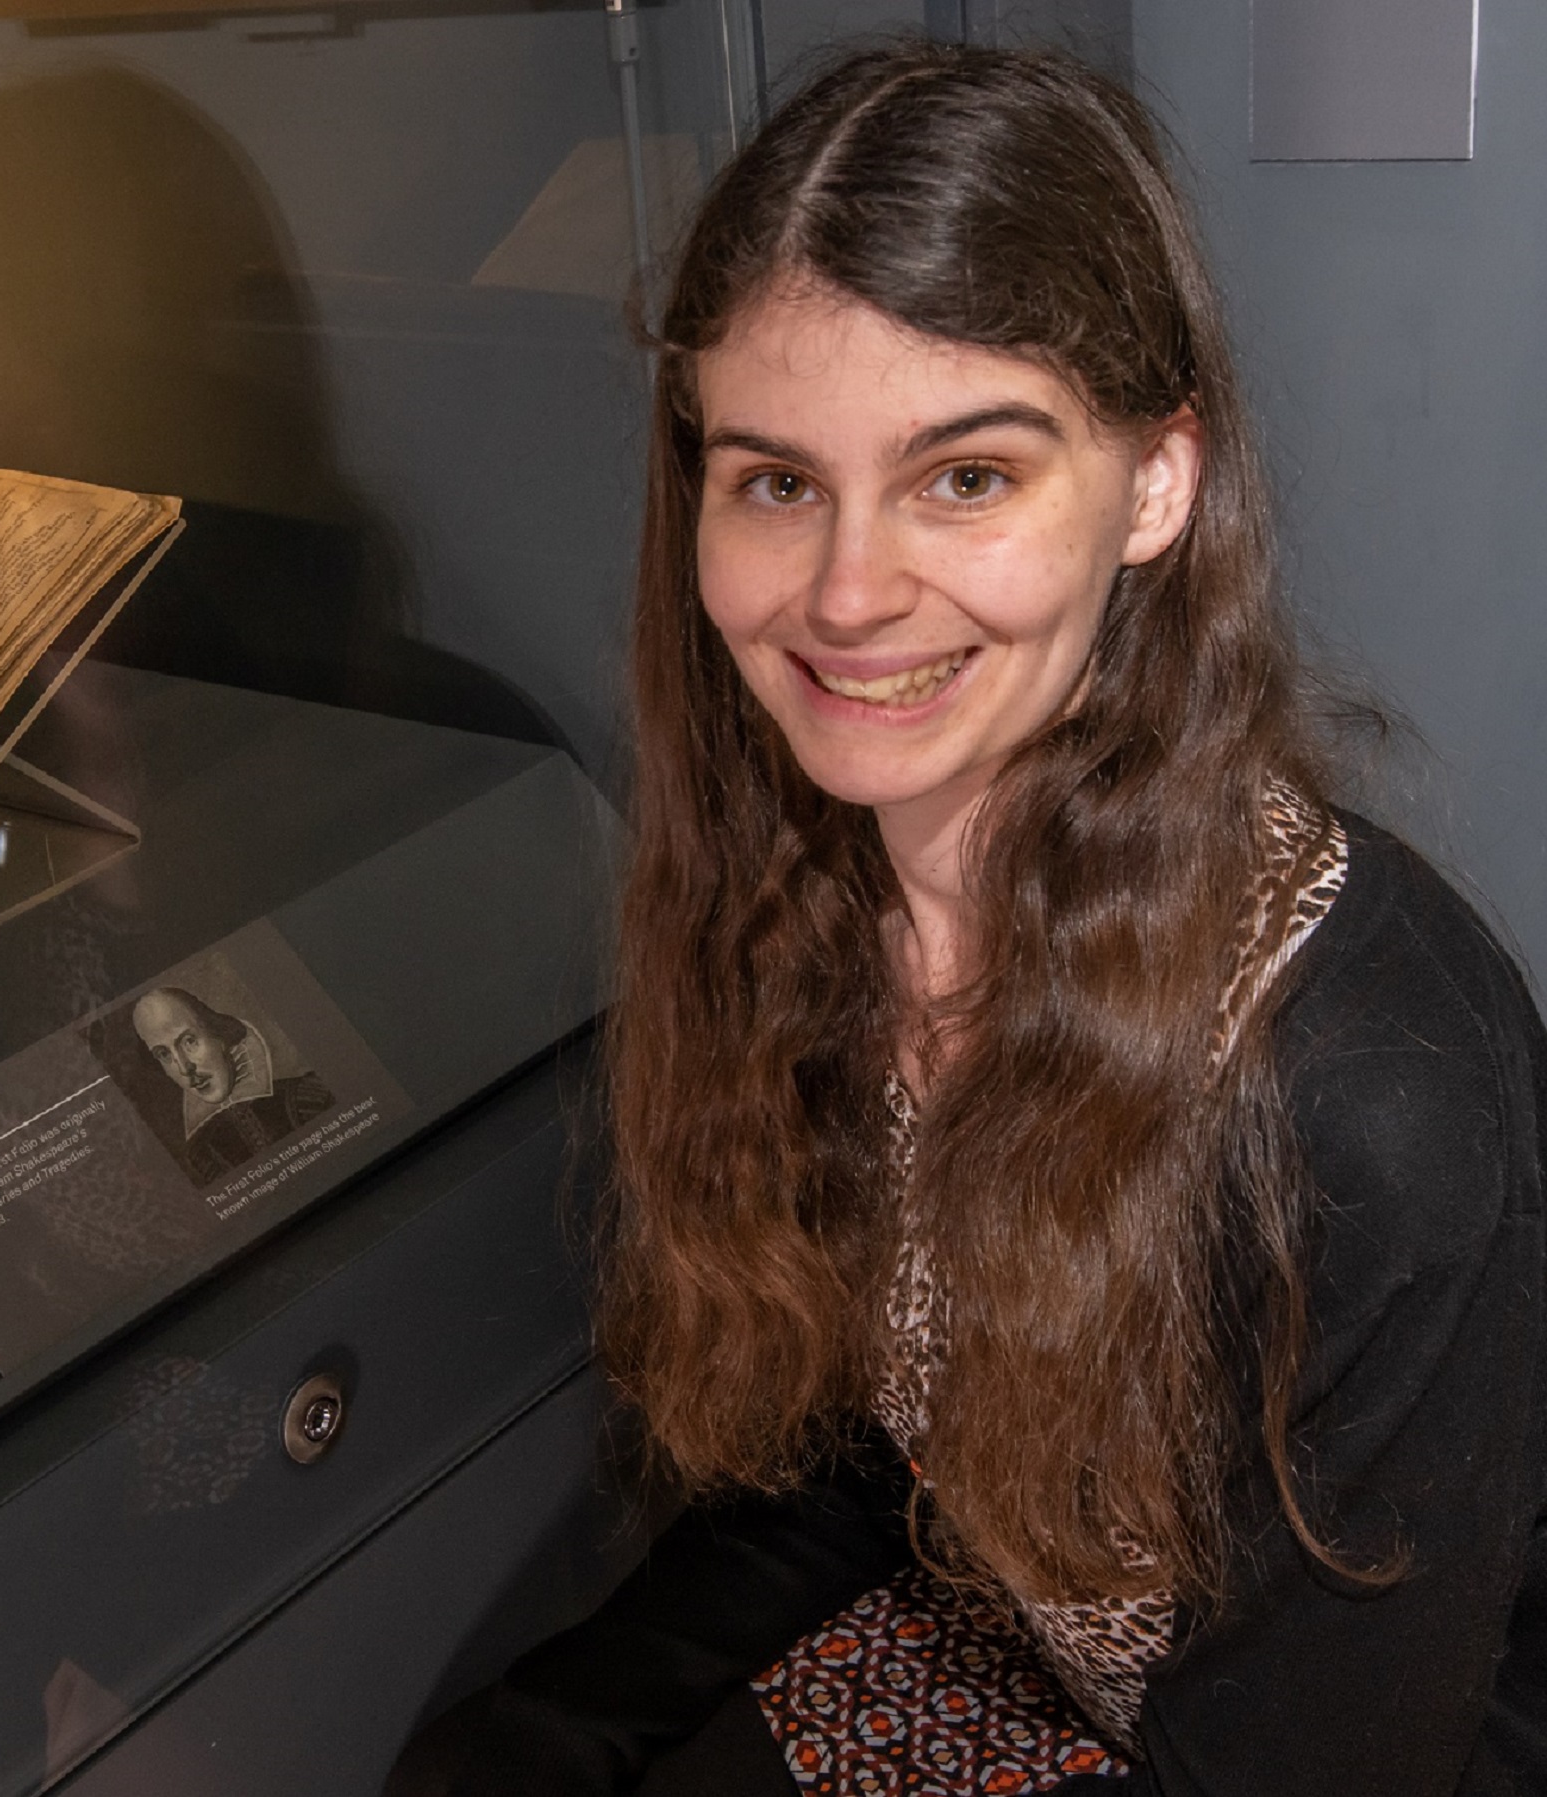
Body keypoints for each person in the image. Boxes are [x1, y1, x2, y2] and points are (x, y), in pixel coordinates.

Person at [398, 42, 1547, 1797]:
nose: (848, 595)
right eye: (777, 480)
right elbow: (887, 1441)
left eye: (966, 476)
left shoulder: (1378, 1097)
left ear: (1156, 485)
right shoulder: (821, 903)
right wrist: (542, 1737)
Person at [130, 986, 334, 1184]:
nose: (184, 1067)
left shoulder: (306, 1097)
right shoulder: (200, 1155)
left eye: (189, 1041)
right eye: (164, 1054)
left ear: (219, 1037)